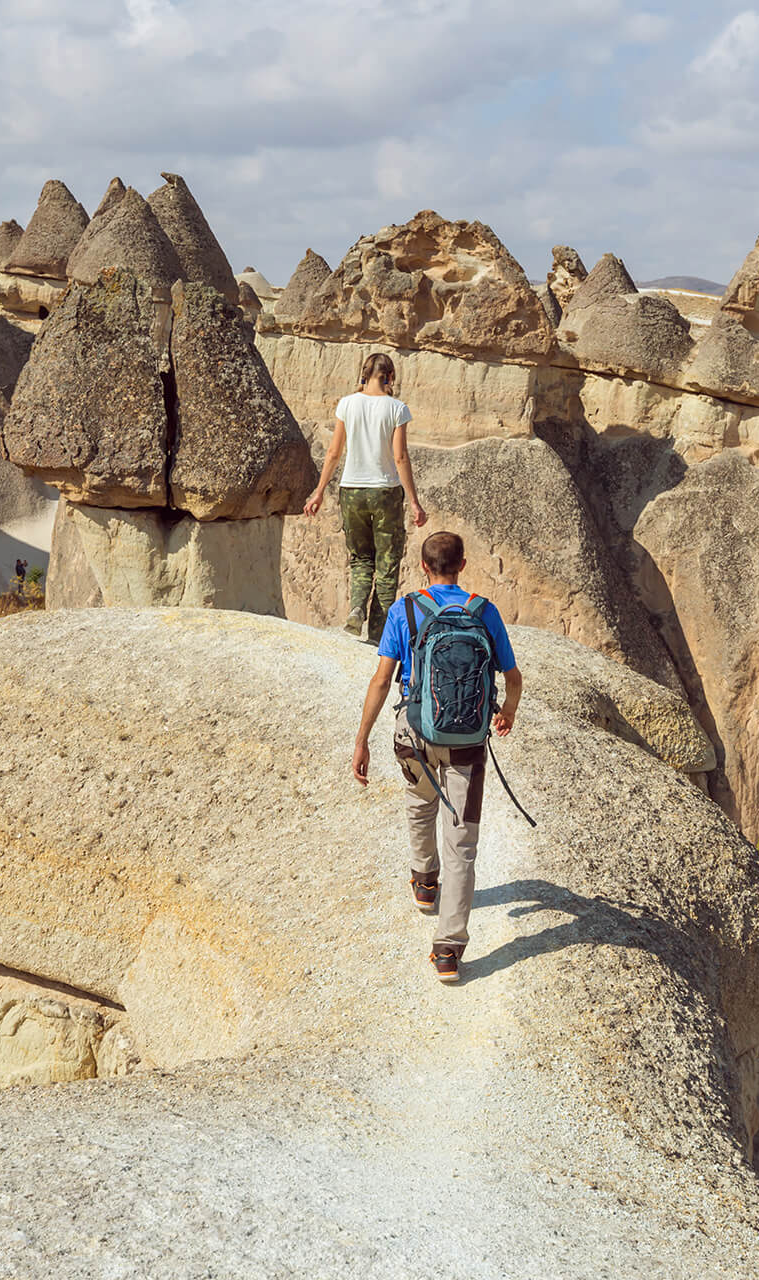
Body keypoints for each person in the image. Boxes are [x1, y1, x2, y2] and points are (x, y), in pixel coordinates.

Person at [352, 531, 522, 983]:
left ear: (423, 567)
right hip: (467, 740)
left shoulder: (404, 610)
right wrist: (505, 712)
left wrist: (362, 739)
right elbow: (514, 678)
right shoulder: (484, 612)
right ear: (462, 565)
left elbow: (381, 681)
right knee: (462, 842)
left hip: (415, 734)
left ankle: (426, 883)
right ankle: (448, 950)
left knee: (420, 802)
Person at [302, 352, 428, 643]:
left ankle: (356, 608)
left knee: (361, 559)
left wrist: (319, 491)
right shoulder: (397, 408)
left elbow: (333, 453)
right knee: (387, 562)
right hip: (385, 491)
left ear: (364, 373)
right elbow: (400, 457)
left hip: (351, 489)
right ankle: (377, 634)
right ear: (391, 377)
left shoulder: (347, 403)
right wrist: (414, 501)